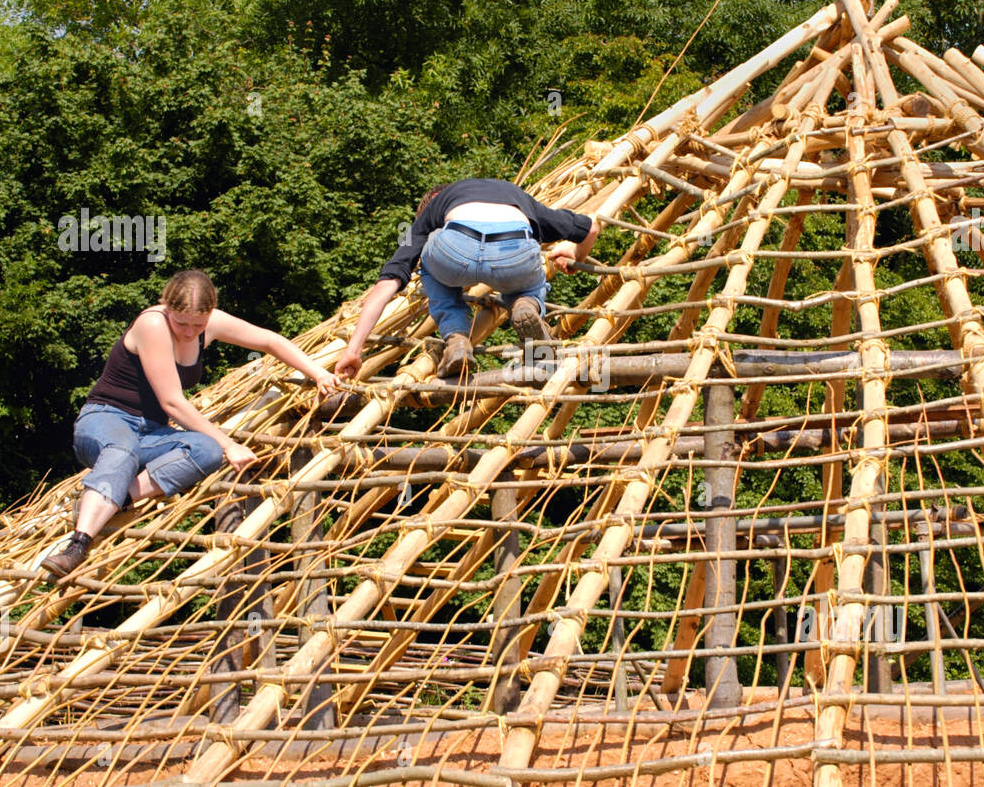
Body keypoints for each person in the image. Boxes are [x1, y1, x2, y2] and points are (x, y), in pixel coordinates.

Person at [41, 269, 339, 579]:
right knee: (123, 450)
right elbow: (171, 402)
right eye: (181, 322)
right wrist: (230, 443)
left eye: (198, 324)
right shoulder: (152, 324)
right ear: (165, 305)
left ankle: (116, 498)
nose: (189, 331)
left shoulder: (209, 322)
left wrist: (317, 373)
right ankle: (77, 545)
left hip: (151, 432)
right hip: (106, 419)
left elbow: (268, 340)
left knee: (205, 450)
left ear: (210, 313)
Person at [335, 179, 600, 379]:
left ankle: (457, 340)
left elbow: (387, 283)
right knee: (532, 281)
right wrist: (576, 252)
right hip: (514, 252)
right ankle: (527, 304)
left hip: (453, 251)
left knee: (426, 264)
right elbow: (591, 227)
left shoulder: (435, 208)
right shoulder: (514, 195)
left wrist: (354, 350)